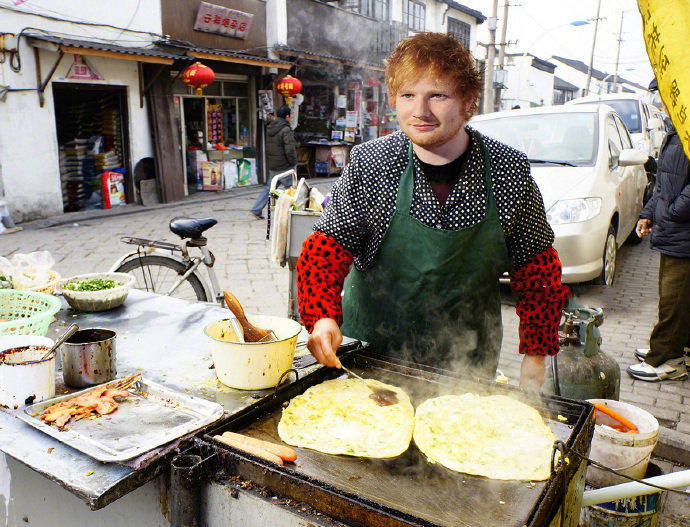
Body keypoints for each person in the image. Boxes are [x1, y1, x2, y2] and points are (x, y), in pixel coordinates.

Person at [295, 33, 570, 391]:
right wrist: (322, 319)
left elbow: (538, 271)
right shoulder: (371, 163)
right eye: (408, 95)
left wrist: (535, 356)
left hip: (465, 369)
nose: (419, 111)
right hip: (367, 361)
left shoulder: (508, 171)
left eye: (437, 95)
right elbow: (324, 252)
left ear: (469, 100)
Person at [628, 88, 690, 382]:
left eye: (663, 96)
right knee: (675, 297)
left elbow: (680, 193)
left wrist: (674, 211)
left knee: (674, 300)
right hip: (674, 229)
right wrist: (648, 212)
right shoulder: (677, 130)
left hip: (684, 231)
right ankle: (675, 348)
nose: (661, 103)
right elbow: (665, 183)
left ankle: (666, 359)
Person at [251, 105, 297, 219]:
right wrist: (293, 162)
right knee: (291, 189)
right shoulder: (286, 129)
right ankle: (290, 212)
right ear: (287, 116)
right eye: (290, 115)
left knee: (270, 188)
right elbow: (289, 149)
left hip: (273, 164)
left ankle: (256, 209)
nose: (291, 117)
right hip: (285, 165)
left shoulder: (271, 128)